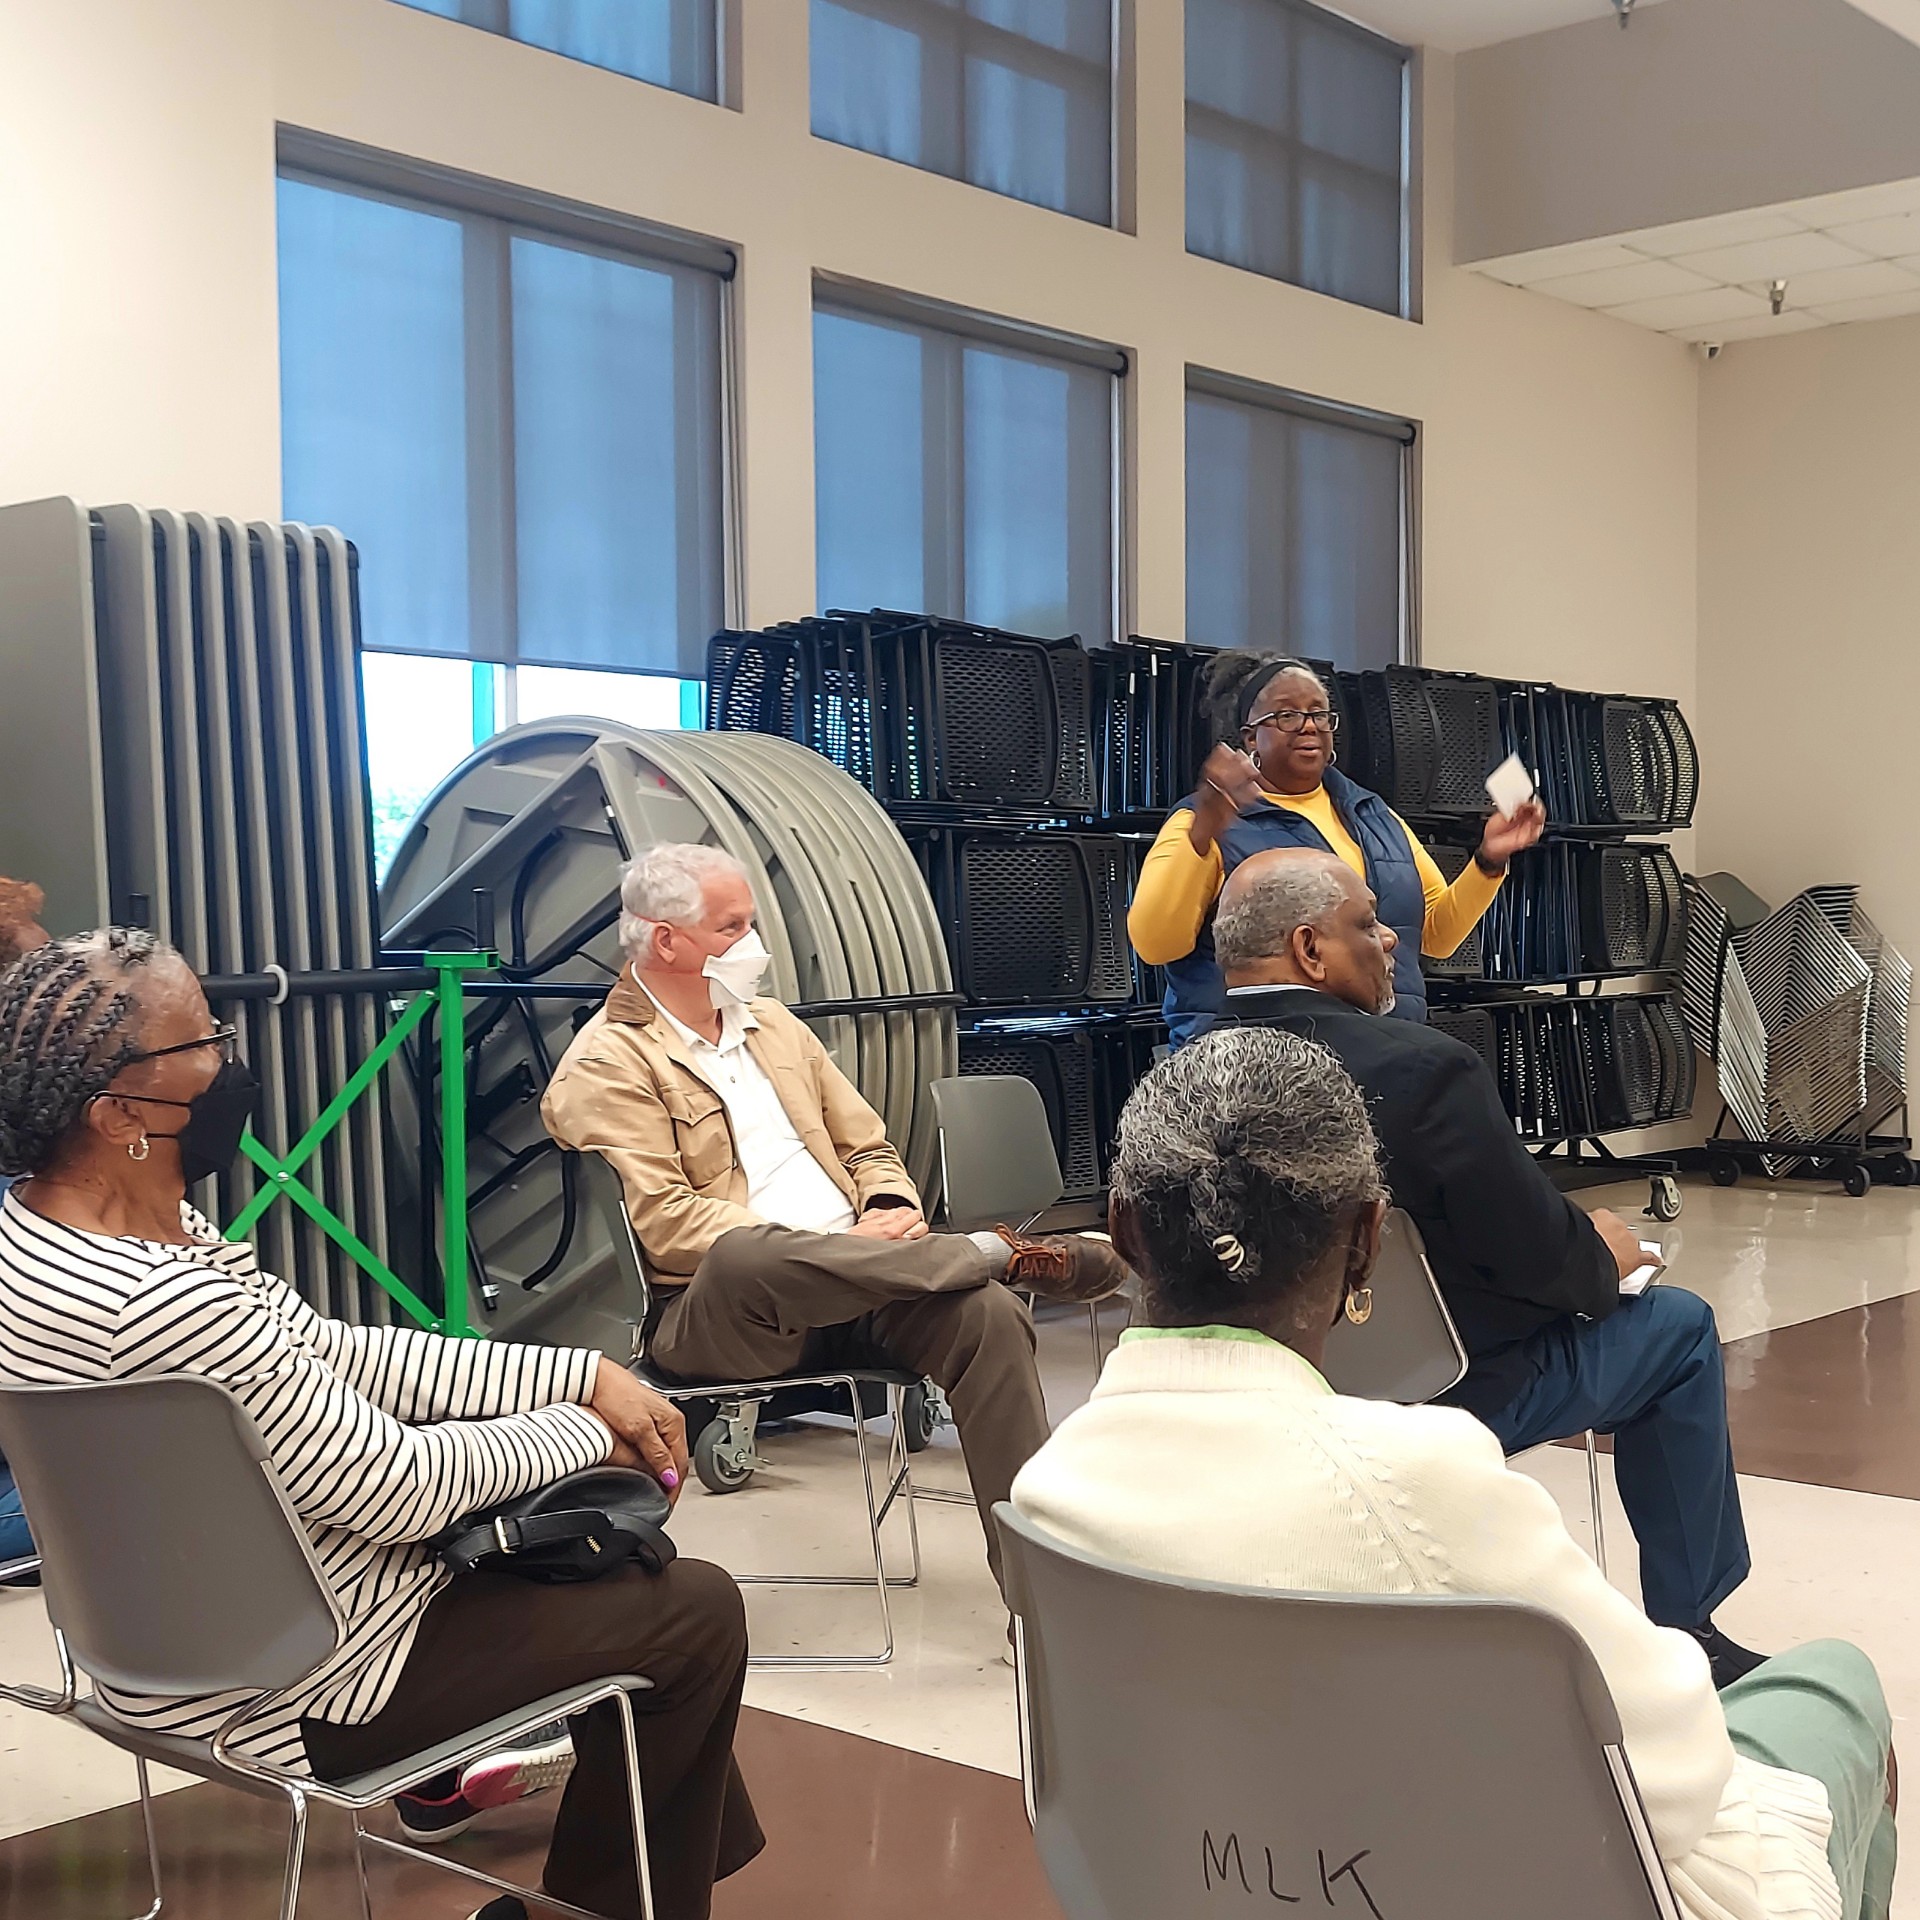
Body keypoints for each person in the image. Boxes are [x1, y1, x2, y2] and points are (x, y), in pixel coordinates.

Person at [1015, 1028, 1897, 1920]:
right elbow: (1672, 1778)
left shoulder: (1049, 1491)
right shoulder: (1414, 1482)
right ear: (1369, 1241)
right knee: (1836, 1688)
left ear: (1122, 1229)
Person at [0, 929, 763, 1920]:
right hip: (299, 1688)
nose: (231, 1060)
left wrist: (577, 1375)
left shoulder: (50, 1237)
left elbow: (324, 1347)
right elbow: (397, 1489)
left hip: (141, 1660)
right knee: (690, 1609)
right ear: (118, 1112)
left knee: (614, 1577)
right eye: (205, 1042)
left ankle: (638, 1875)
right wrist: (590, 1434)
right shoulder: (162, 1300)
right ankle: (616, 1897)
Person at [1210, 845, 1762, 1686]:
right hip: (1438, 1399)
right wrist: (1599, 1256)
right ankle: (1691, 1633)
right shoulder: (1422, 1069)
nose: (1391, 940)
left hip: (1265, 1407)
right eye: (1369, 924)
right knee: (1678, 1328)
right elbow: (1535, 1258)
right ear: (1310, 949)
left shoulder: (1181, 1075)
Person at [541, 842, 1130, 1601]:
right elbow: (668, 1226)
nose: (754, 945)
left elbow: (868, 1147)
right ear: (666, 941)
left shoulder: (775, 1027)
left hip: (863, 1285)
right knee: (745, 1253)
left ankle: (1041, 1599)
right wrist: (835, 1244)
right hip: (724, 1313)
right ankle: (994, 1255)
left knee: (987, 1317)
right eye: (731, 927)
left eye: (751, 923)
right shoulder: (607, 1063)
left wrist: (888, 1205)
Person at [1126, 652, 1546, 1043]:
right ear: (1250, 737)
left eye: (1319, 714)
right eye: (1287, 715)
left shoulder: (1374, 814)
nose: (1309, 726)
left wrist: (1489, 859)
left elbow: (1434, 937)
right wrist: (1203, 831)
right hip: (1260, 1063)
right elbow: (1155, 944)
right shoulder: (1204, 820)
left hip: (1383, 1051)